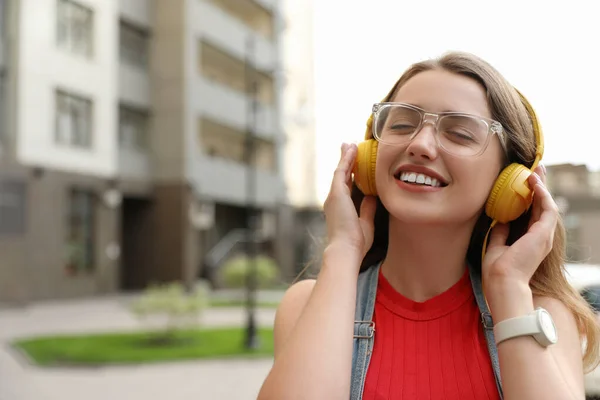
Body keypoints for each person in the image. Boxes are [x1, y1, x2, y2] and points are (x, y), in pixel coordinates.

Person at [257, 52, 600, 400]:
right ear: (368, 156)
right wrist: (344, 250)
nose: (419, 145)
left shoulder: (545, 315)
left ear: (510, 181)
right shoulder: (305, 305)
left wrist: (509, 288)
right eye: (402, 125)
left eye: (460, 134)